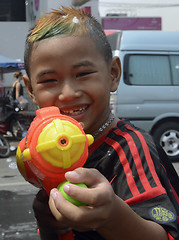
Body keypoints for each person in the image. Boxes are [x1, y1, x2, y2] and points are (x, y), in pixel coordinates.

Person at [22, 6, 179, 240]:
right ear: (31, 90)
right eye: (50, 80)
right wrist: (51, 227)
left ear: (113, 74)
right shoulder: (49, 154)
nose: (68, 93)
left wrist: (112, 216)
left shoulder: (130, 147)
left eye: (83, 74)